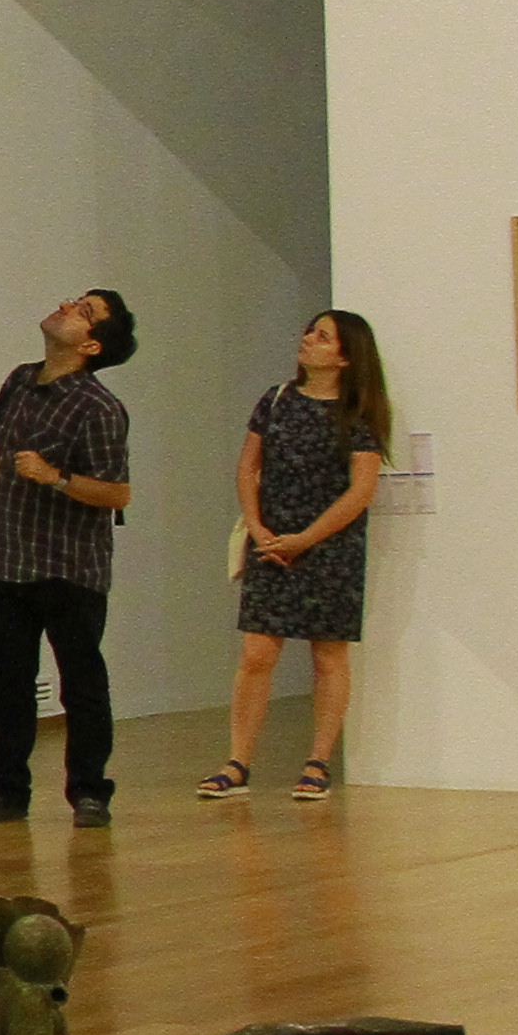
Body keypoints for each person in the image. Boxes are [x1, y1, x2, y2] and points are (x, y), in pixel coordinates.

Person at [0, 287, 136, 829]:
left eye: (85, 311)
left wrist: (56, 477)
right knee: (6, 684)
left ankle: (90, 791)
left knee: (81, 684)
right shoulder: (20, 380)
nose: (68, 307)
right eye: (75, 300)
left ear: (92, 345)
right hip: (7, 561)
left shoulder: (100, 408)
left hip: (70, 568)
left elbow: (118, 493)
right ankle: (6, 790)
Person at [210, 309, 387, 804]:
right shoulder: (277, 399)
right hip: (271, 543)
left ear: (346, 357)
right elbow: (248, 468)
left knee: (328, 653)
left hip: (330, 546)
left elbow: (360, 491)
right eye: (311, 331)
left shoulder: (358, 414)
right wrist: (259, 528)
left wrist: (306, 538)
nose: (308, 339)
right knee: (256, 652)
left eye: (322, 336)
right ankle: (237, 760)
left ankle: (318, 761)